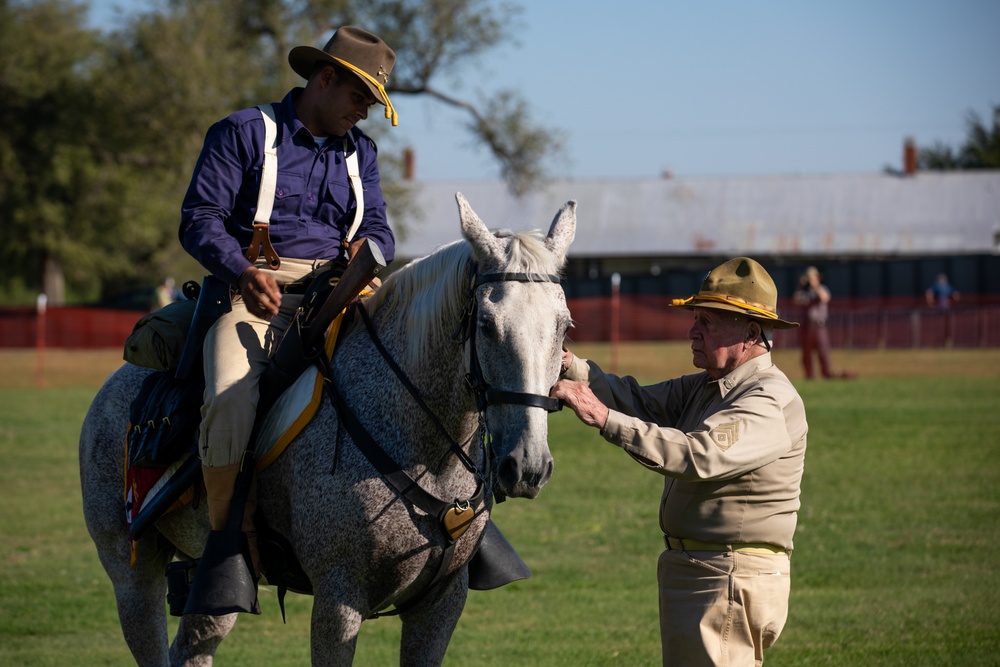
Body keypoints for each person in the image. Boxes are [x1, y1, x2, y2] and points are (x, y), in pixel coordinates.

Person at [178, 26, 397, 588]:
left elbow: (377, 227)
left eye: (372, 104)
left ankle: (461, 520)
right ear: (325, 79)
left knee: (419, 356)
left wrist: (369, 251)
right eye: (359, 98)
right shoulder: (243, 133)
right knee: (229, 395)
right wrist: (242, 272)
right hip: (255, 292)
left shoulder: (362, 154)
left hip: (342, 290)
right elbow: (200, 220)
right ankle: (228, 544)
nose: (365, 114)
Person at [551, 257, 807, 667]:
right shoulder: (709, 387)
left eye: (708, 321)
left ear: (751, 332)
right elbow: (638, 401)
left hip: (728, 577)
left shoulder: (766, 399)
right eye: (696, 318)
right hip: (706, 573)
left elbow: (696, 454)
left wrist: (603, 418)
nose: (693, 331)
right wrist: (570, 366)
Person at [792, 266, 833, 379]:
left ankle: (826, 373)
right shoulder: (804, 292)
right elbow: (796, 300)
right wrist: (800, 285)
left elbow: (824, 298)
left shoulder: (822, 288)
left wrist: (816, 286)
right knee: (807, 352)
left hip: (820, 325)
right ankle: (809, 375)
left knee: (823, 351)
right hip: (807, 325)